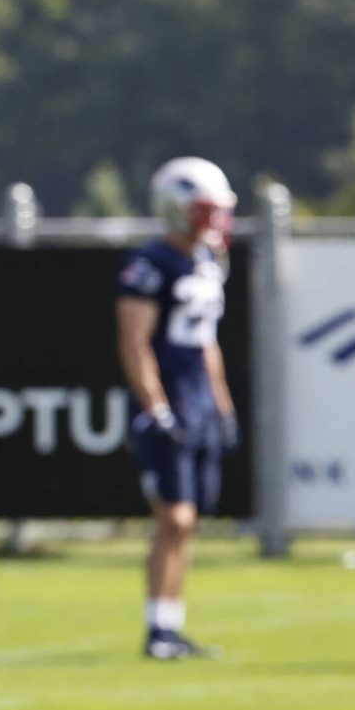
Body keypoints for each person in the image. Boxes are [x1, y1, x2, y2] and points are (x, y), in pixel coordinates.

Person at [114, 158, 240, 660]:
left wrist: (223, 405)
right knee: (176, 518)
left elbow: (208, 343)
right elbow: (134, 341)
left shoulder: (205, 264)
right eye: (206, 210)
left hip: (199, 400)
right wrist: (156, 406)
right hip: (168, 398)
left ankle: (172, 625)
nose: (215, 221)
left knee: (189, 520)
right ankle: (157, 628)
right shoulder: (151, 264)